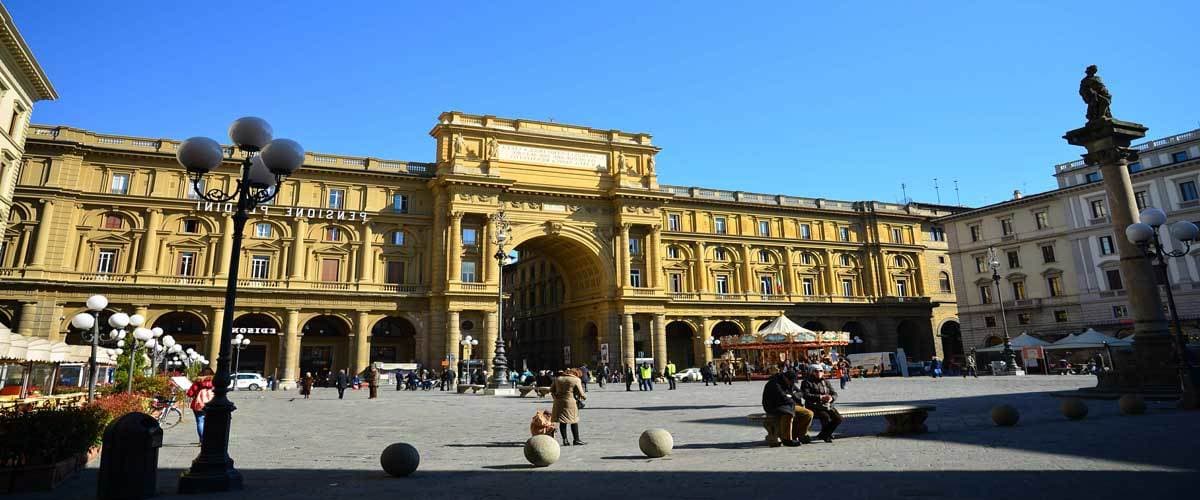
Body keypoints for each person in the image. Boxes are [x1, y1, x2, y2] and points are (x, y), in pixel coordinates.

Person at [760, 370, 813, 447]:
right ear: (785, 378)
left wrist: (793, 396)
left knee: (809, 413)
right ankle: (787, 439)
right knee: (788, 413)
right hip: (774, 406)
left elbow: (800, 392)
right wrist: (792, 397)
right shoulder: (774, 384)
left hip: (789, 404)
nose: (792, 383)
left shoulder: (790, 383)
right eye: (791, 381)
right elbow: (782, 397)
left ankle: (800, 434)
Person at [801, 365, 842, 443]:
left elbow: (834, 393)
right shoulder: (806, 382)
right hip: (814, 406)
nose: (819, 373)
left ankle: (824, 433)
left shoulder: (826, 382)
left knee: (838, 418)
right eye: (816, 371)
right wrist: (820, 397)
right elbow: (805, 395)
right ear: (811, 372)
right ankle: (826, 435)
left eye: (821, 371)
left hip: (827, 405)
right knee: (825, 417)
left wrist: (831, 398)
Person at [550, 368, 587, 446]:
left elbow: (551, 390)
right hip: (570, 402)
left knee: (562, 421)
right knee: (574, 420)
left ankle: (565, 440)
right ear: (576, 374)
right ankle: (576, 439)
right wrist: (584, 397)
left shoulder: (558, 378)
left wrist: (555, 397)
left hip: (558, 402)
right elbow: (582, 394)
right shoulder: (576, 380)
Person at [186, 368, 215, 443]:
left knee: (200, 421)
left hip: (199, 404)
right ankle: (210, 439)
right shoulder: (215, 381)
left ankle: (202, 440)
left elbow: (190, 393)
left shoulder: (198, 381)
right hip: (212, 404)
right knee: (211, 422)